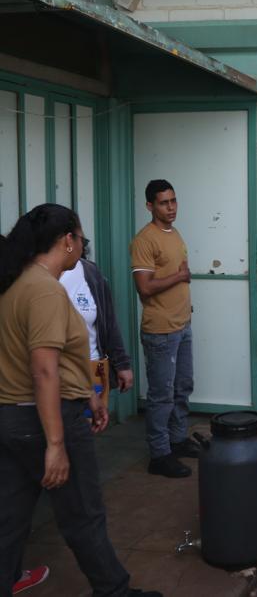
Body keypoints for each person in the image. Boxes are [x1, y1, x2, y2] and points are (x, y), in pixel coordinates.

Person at [0, 204, 161, 597]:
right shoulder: (44, 292)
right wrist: (56, 445)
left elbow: (56, 364)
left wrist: (90, 395)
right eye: (81, 240)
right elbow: (43, 371)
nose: (82, 248)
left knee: (11, 518)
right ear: (67, 241)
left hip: (14, 421)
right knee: (82, 515)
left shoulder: (17, 284)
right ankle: (115, 591)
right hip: (46, 421)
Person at [130, 179, 196, 479]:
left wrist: (185, 302)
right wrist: (181, 277)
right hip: (160, 331)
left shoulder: (175, 232)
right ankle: (160, 454)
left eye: (173, 201)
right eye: (163, 203)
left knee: (182, 388)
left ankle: (178, 440)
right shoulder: (145, 239)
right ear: (149, 206)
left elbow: (175, 274)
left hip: (182, 325)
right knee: (161, 396)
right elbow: (144, 287)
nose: (170, 207)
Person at [59, 244, 135, 404]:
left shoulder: (90, 272)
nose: (83, 244)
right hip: (56, 371)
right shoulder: (36, 275)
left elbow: (109, 322)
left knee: (92, 423)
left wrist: (122, 364)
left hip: (92, 367)